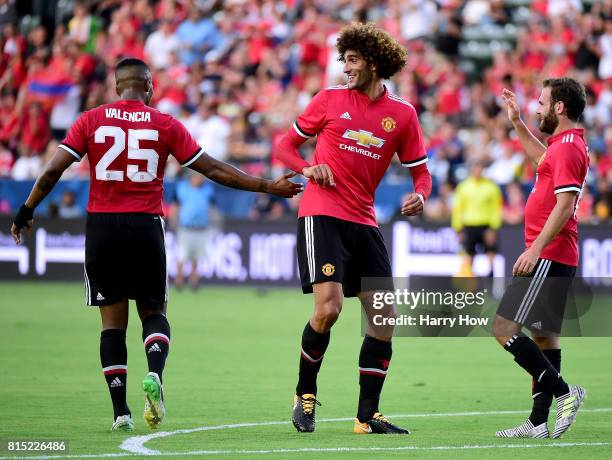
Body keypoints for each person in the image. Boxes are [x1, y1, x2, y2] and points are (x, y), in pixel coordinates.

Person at [10, 57, 302, 432]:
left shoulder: (90, 120)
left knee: (112, 325)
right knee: (154, 312)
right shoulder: (164, 124)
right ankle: (155, 374)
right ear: (149, 86)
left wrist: (26, 210)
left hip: (102, 226)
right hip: (146, 225)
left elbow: (52, 170)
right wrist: (267, 186)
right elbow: (212, 169)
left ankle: (121, 413)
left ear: (116, 87)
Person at [274, 23, 432, 435]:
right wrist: (306, 167)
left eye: (352, 60)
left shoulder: (403, 114)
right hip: (321, 214)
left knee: (383, 318)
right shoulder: (328, 100)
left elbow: (422, 172)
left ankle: (366, 416)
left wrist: (421, 194)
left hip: (364, 221)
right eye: (343, 60)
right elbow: (283, 146)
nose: (345, 67)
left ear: (374, 63)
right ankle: (304, 394)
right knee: (329, 308)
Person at [493, 78, 588, 439]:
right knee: (545, 337)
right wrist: (517, 122)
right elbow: (541, 160)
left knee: (503, 328)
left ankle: (566, 392)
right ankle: (537, 422)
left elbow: (564, 205)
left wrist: (534, 250)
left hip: (548, 252)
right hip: (558, 253)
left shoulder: (567, 148)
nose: (537, 107)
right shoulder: (565, 145)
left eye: (542, 102)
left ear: (559, 107)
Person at [451, 158, 502, 277]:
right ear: (471, 170)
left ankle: (491, 284)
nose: (478, 171)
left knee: (490, 254)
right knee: (469, 256)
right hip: (469, 225)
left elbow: (496, 209)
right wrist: (457, 228)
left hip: (486, 226)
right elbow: (458, 209)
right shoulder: (463, 187)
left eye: (480, 169)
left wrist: (493, 228)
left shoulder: (492, 187)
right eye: (475, 169)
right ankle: (469, 288)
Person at [173, 171, 215, 291]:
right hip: (185, 227)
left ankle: (193, 281)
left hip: (201, 228)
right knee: (182, 255)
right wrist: (174, 222)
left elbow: (211, 208)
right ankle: (179, 280)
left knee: (196, 256)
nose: (200, 178)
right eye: (198, 176)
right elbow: (175, 206)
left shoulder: (208, 190)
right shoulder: (182, 188)